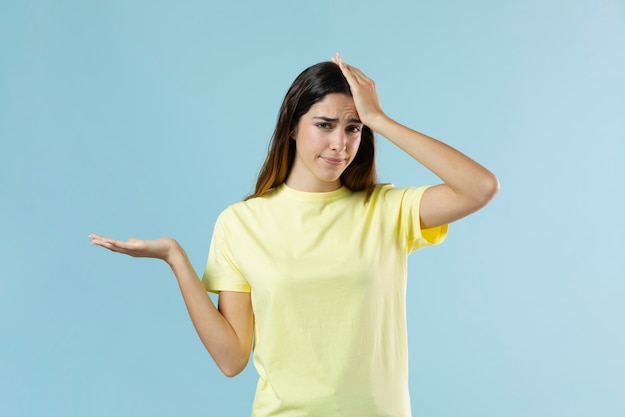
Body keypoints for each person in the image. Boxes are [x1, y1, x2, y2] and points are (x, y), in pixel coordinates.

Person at [89, 53, 499, 417]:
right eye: (325, 125)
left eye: (353, 128)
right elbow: (232, 359)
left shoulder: (386, 210)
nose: (340, 144)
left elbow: (479, 187)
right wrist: (175, 258)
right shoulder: (241, 224)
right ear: (292, 127)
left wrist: (380, 120)